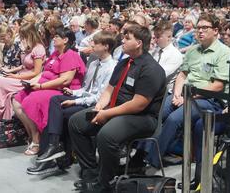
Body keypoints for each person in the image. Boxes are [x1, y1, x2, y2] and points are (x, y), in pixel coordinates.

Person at [68, 23, 166, 192]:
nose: (122, 40)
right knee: (76, 122)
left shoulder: (151, 69)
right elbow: (109, 90)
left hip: (143, 118)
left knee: (107, 134)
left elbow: (138, 104)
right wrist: (99, 107)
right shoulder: (124, 63)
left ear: (139, 43)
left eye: (127, 38)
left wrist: (107, 114)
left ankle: (106, 183)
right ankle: (91, 172)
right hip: (116, 110)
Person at [144, 13, 230, 189]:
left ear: (215, 31)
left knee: (175, 119)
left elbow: (217, 86)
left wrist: (187, 97)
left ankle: (151, 161)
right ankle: (142, 153)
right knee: (158, 110)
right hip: (185, 94)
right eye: (198, 28)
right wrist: (176, 94)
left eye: (204, 28)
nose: (200, 31)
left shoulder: (224, 52)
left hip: (209, 99)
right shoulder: (192, 50)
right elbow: (182, 74)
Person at [27, 31, 117, 175]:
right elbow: (86, 88)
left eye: (95, 42)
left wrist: (75, 101)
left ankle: (51, 154)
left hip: (95, 105)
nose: (91, 44)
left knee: (58, 114)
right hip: (84, 98)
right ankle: (53, 146)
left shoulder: (112, 67)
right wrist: (73, 93)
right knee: (55, 101)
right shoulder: (94, 63)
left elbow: (99, 97)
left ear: (106, 46)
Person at [12, 27, 86, 156]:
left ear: (65, 40)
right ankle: (32, 135)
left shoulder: (70, 55)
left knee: (30, 100)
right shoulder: (55, 54)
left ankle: (37, 140)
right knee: (17, 99)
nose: (54, 38)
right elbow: (44, 73)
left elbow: (65, 80)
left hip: (63, 91)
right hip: (46, 85)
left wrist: (41, 87)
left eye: (57, 36)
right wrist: (32, 82)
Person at [150, 20, 183, 88]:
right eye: (154, 37)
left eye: (158, 37)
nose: (155, 40)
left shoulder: (175, 55)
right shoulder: (156, 50)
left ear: (169, 37)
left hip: (164, 91)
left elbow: (159, 76)